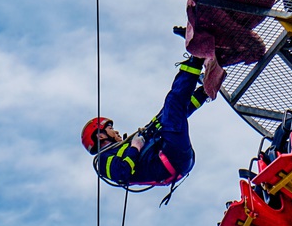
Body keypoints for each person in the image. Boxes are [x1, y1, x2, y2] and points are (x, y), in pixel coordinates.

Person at [81, 56, 209, 190]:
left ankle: (207, 88)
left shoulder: (125, 147)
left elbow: (170, 116)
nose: (116, 131)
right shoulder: (103, 160)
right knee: (172, 103)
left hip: (175, 157)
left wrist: (202, 93)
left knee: (169, 113)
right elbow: (121, 172)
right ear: (100, 136)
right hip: (167, 159)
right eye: (110, 128)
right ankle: (197, 57)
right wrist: (135, 147)